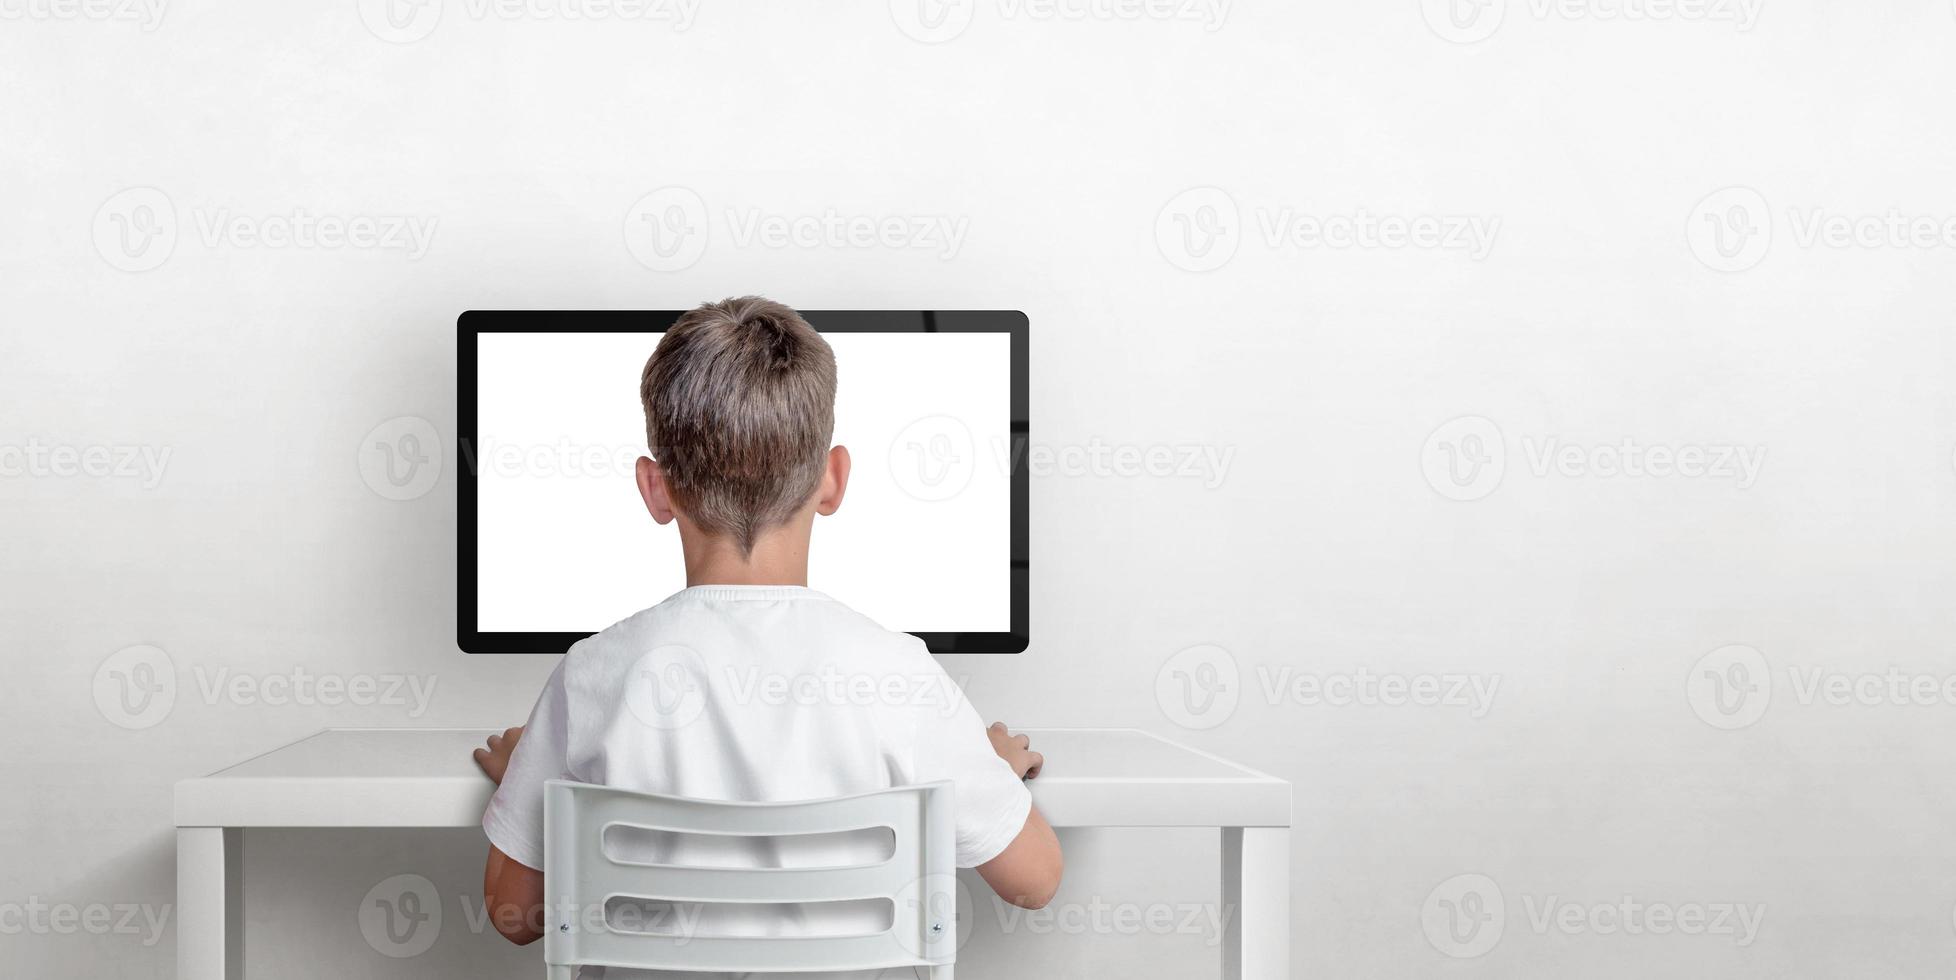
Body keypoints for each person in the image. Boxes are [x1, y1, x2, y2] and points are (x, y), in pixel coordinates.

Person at [471, 296, 1062, 974]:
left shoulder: (593, 675)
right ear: (833, 479)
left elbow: (513, 914)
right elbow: (1036, 881)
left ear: (656, 489)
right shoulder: (899, 673)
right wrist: (988, 771)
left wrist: (528, 778)